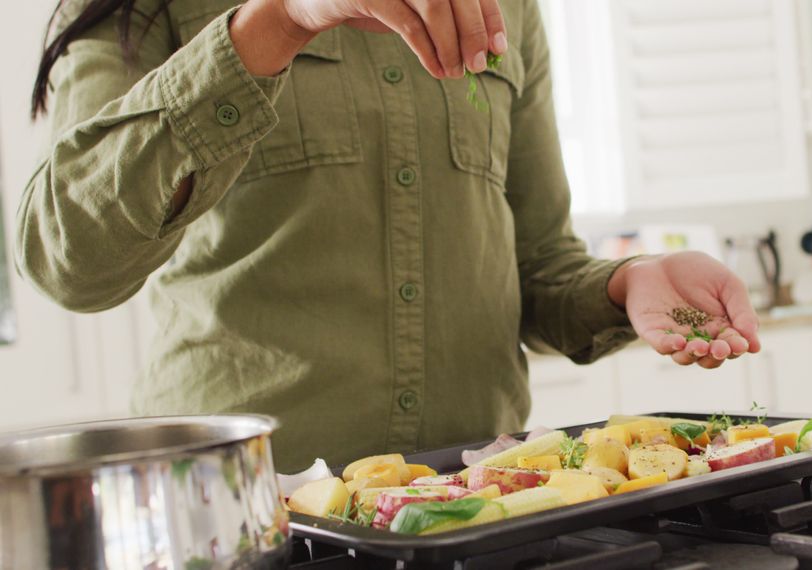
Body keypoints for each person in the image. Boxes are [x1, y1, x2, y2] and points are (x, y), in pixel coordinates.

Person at [19, 0, 761, 471]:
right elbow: (68, 261)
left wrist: (630, 282)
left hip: (481, 502)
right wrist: (277, 21)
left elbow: (538, 261)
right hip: (252, 515)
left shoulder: (507, 9)